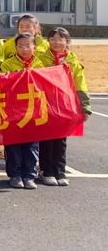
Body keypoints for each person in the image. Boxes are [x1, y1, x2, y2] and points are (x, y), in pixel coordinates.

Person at [38, 27, 91, 187]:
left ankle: (60, 171)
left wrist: (85, 106)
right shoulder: (41, 59)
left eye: (60, 39)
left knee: (61, 140)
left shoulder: (73, 61)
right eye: (52, 39)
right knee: (46, 139)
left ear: (66, 42)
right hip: (46, 104)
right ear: (47, 41)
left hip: (65, 105)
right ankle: (46, 171)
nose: (56, 42)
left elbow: (80, 84)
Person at [0, 32, 44, 189]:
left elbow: (43, 84)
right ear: (15, 48)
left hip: (33, 110)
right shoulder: (7, 64)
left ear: (34, 47)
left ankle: (29, 175)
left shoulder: (39, 64)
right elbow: (3, 84)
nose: (24, 49)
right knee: (13, 144)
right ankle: (15, 175)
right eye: (20, 46)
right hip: (13, 109)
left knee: (31, 145)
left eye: (27, 46)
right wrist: (18, 77)